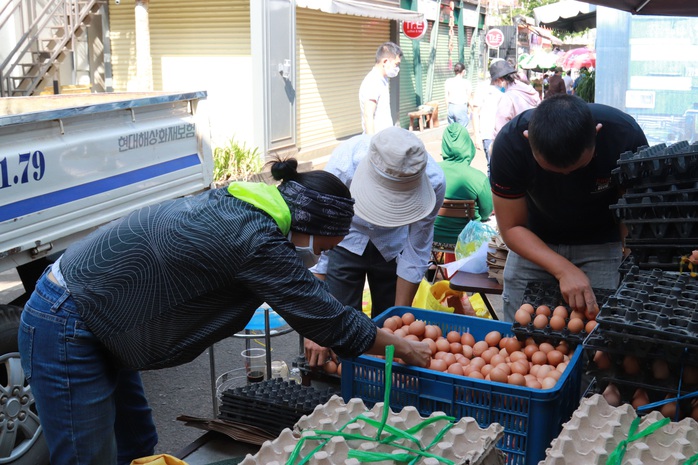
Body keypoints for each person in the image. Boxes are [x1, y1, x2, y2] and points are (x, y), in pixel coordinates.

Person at [17, 158, 432, 465]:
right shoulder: (254, 237)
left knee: (136, 443)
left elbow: (312, 305)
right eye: (322, 249)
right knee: (87, 457)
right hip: (69, 318)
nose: (319, 260)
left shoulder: (251, 205)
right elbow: (329, 318)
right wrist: (400, 346)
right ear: (307, 224)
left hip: (108, 317)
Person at [489, 94, 648, 323]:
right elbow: (512, 226)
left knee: (599, 330)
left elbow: (630, 213)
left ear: (597, 132)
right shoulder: (511, 144)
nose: (566, 177)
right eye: (552, 170)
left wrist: (632, 263)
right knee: (519, 331)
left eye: (578, 168)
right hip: (534, 242)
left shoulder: (623, 137)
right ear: (528, 139)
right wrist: (563, 269)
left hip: (600, 241)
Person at [311, 127, 446, 322]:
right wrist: (317, 317)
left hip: (394, 244)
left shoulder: (434, 182)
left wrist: (399, 320)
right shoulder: (344, 165)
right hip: (344, 237)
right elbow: (320, 231)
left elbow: (416, 249)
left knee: (388, 322)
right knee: (338, 322)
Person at [433, 122, 493, 249]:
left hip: (432, 239)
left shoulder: (431, 171)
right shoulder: (478, 178)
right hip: (467, 242)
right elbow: (486, 212)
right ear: (468, 145)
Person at [489, 60, 541, 139]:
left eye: (495, 82)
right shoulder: (529, 90)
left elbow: (501, 125)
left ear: (500, 80)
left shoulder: (508, 97)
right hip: (534, 138)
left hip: (516, 141)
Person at [359, 41, 403, 134]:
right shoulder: (373, 81)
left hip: (384, 139)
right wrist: (371, 143)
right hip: (378, 141)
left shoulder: (382, 80)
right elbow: (368, 115)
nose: (397, 68)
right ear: (385, 61)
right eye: (396, 64)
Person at [472, 77, 504, 174]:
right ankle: (490, 188)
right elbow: (475, 112)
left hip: (505, 134)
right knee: (492, 165)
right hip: (488, 134)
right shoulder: (483, 87)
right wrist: (477, 135)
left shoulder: (509, 86)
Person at [444, 62, 472, 127]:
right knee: (462, 131)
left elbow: (446, 97)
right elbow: (469, 98)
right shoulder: (466, 82)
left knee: (452, 131)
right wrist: (472, 110)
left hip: (451, 108)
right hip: (461, 107)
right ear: (463, 71)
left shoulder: (448, 81)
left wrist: (447, 108)